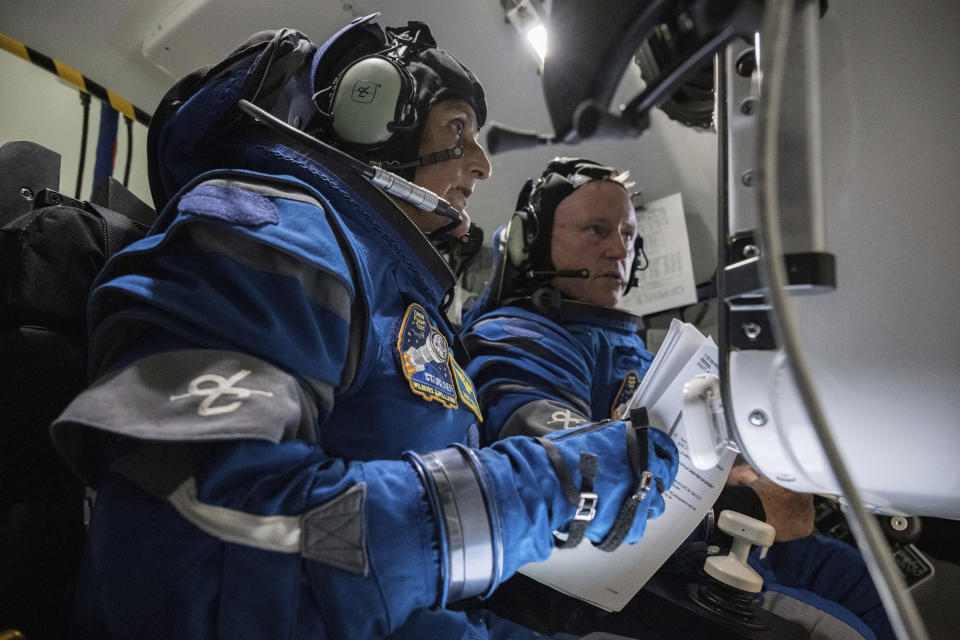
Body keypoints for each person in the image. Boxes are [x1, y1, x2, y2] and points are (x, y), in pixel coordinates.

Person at [49, 18, 680, 640]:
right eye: (459, 128)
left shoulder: (396, 291)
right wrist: (550, 487)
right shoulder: (272, 230)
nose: (483, 164)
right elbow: (204, 551)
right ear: (370, 115)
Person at [461, 157, 895, 640]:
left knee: (867, 580)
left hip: (703, 538)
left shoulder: (631, 347)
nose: (617, 250)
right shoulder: (518, 337)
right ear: (532, 243)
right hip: (625, 568)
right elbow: (569, 473)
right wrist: (742, 506)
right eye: (595, 230)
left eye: (628, 235)